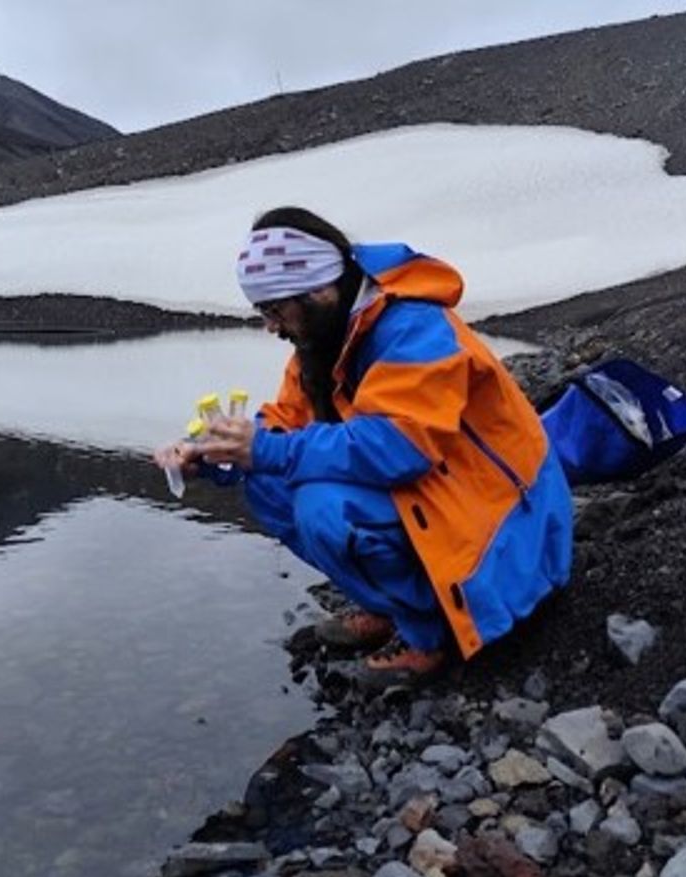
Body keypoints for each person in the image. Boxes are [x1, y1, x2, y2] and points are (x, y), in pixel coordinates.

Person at [155, 207, 574, 691]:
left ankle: (429, 636)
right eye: (263, 312)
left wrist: (265, 450)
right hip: (447, 497)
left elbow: (400, 448)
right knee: (268, 483)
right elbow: (286, 420)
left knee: (323, 507)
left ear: (319, 290)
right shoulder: (326, 338)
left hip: (508, 528)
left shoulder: (414, 328)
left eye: (274, 310)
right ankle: (390, 604)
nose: (271, 327)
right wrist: (217, 452)